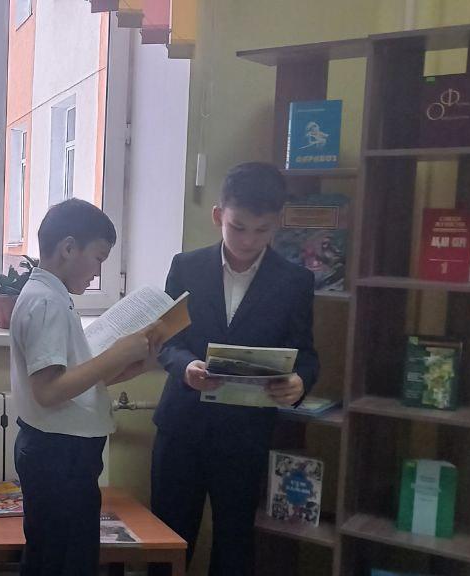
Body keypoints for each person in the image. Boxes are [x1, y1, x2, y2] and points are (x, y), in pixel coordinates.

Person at [150, 162, 320, 576]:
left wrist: (299, 382)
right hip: (182, 427)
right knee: (169, 540)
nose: (248, 240)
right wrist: (186, 366)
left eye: (262, 230)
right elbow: (166, 341)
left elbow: (306, 354)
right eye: (238, 227)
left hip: (245, 435)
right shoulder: (186, 267)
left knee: (235, 543)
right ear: (218, 216)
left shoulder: (294, 281)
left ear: (277, 223)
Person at [9, 198, 155, 576]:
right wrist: (116, 353)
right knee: (62, 561)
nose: (98, 272)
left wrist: (132, 365)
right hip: (59, 454)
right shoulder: (46, 303)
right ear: (69, 248)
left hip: (63, 452)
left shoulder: (54, 297)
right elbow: (49, 391)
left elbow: (75, 380)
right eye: (98, 258)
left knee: (61, 557)